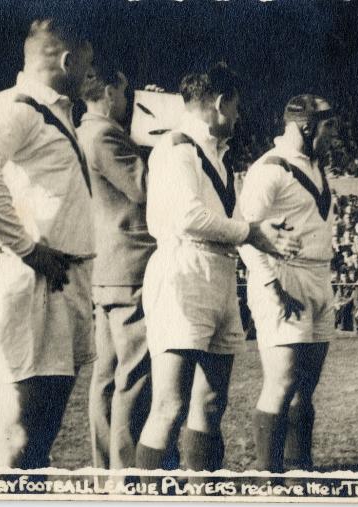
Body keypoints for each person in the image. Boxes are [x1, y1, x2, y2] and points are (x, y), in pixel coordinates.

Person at [134, 64, 300, 472]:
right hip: (183, 271)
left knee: (211, 402)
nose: (240, 116)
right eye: (237, 106)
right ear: (221, 102)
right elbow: (189, 218)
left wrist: (263, 237)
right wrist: (251, 231)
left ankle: (201, 490)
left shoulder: (219, 158)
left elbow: (239, 222)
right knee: (169, 405)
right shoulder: (175, 148)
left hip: (221, 273)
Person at [0, 18, 95, 469]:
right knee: (19, 436)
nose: (89, 78)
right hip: (35, 281)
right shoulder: (17, 106)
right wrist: (28, 247)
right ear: (68, 61)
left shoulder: (55, 113)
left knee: (37, 439)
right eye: (87, 68)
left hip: (61, 281)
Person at [238, 95, 340, 472]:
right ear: (306, 126)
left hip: (317, 276)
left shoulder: (316, 166)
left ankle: (300, 467)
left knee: (305, 387)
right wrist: (270, 285)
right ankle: (270, 477)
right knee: (281, 383)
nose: (335, 136)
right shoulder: (268, 169)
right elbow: (246, 234)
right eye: (329, 127)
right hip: (283, 276)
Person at [77, 61, 156, 469]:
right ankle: (125, 476)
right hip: (131, 267)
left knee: (106, 378)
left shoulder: (81, 133)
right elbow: (145, 188)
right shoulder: (105, 133)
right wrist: (162, 137)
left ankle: (106, 470)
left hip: (106, 269)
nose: (126, 103)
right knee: (134, 378)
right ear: (109, 92)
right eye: (123, 94)